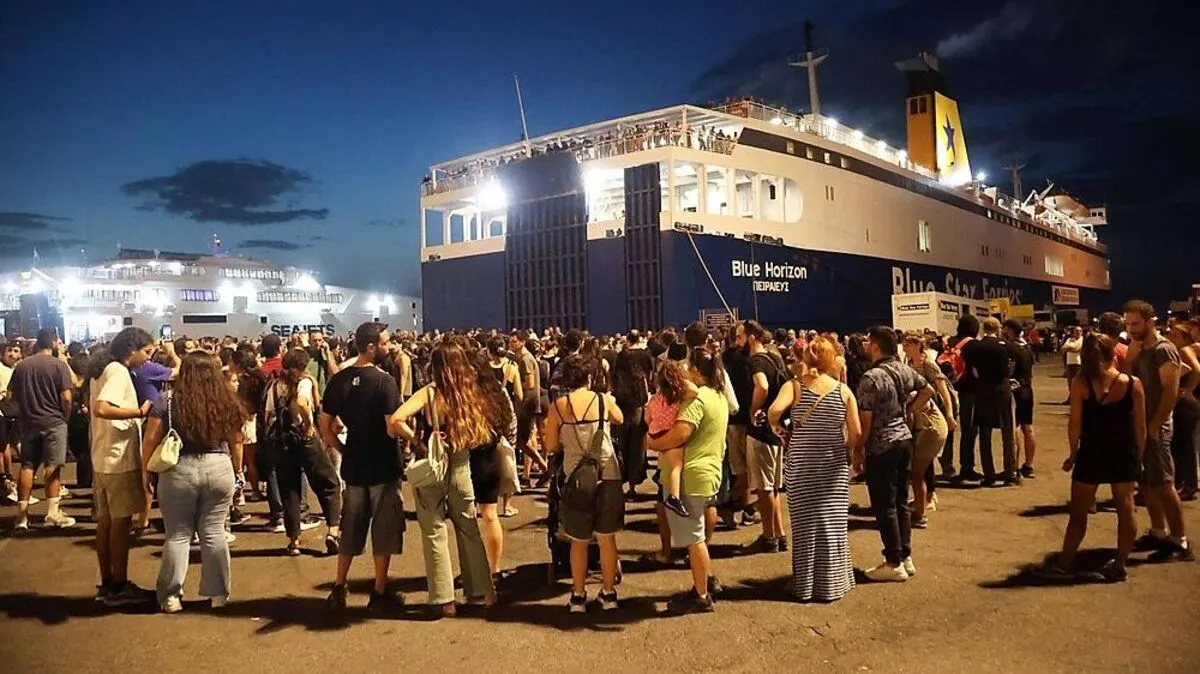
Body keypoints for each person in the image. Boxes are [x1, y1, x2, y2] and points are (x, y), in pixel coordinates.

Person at [389, 342, 496, 617]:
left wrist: (416, 440)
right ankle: (480, 591)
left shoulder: (430, 392)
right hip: (461, 465)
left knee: (434, 530)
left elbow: (396, 419)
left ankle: (443, 598)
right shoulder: (468, 392)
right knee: (468, 528)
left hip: (434, 467)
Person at [141, 351, 247, 612]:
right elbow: (237, 441)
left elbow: (151, 439)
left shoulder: (167, 401)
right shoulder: (226, 400)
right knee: (214, 532)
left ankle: (170, 597)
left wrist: (145, 471)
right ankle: (218, 594)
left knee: (178, 535)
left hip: (179, 468)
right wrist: (237, 471)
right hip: (219, 466)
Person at [319, 323, 406, 612]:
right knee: (383, 528)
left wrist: (344, 449)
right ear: (371, 347)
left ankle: (339, 585)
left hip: (354, 464)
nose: (389, 347)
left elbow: (326, 428)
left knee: (351, 526)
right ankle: (378, 591)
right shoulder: (384, 382)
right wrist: (413, 438)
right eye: (385, 343)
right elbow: (391, 426)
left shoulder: (339, 380)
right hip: (383, 463)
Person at [1044, 333, 1145, 582]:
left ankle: (1064, 564)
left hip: (1092, 452)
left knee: (1078, 513)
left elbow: (1075, 424)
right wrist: (1139, 458)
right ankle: (1120, 563)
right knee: (1126, 508)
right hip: (1123, 452)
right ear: (1113, 355)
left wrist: (1072, 453)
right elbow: (1139, 427)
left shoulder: (1081, 382)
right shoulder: (1133, 384)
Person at [769, 336, 861, 602]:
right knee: (832, 523)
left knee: (805, 523)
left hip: (802, 463)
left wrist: (781, 429)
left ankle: (805, 585)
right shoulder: (844, 391)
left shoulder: (794, 386)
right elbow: (855, 432)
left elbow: (775, 411)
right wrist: (846, 449)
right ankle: (834, 583)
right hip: (833, 463)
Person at [648, 348, 729, 614]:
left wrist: (651, 442)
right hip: (710, 470)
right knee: (699, 536)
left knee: (694, 539)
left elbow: (679, 434)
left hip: (692, 475)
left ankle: (701, 595)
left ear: (694, 370)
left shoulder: (697, 399)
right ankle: (705, 580)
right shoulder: (718, 395)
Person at [543, 353, 625, 612]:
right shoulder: (604, 401)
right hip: (606, 475)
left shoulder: (558, 407)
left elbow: (551, 445)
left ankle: (578, 595)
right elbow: (620, 419)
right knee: (606, 538)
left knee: (578, 541)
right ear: (590, 377)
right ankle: (609, 594)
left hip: (575, 480)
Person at [854, 326, 935, 582]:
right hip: (904, 440)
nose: (866, 346)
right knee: (901, 500)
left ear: (876, 345)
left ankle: (893, 560)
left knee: (884, 504)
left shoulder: (871, 378)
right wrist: (908, 410)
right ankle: (905, 555)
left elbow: (865, 421)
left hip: (882, 445)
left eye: (868, 342)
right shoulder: (904, 369)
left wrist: (858, 449)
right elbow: (928, 390)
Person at [89, 327, 156, 605]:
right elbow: (101, 408)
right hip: (118, 458)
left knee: (105, 524)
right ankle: (119, 584)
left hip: (102, 457)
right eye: (146, 352)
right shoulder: (117, 370)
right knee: (120, 525)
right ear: (132, 349)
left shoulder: (101, 369)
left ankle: (107, 583)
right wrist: (139, 412)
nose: (147, 358)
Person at [1124, 300, 1193, 561]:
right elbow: (1128, 375)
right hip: (1142, 426)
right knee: (1147, 483)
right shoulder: (1140, 348)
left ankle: (1180, 541)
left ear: (1151, 321)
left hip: (1157, 427)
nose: (1131, 329)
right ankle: (1158, 531)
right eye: (1128, 324)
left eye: (1136, 324)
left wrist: (1154, 426)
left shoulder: (1164, 350)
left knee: (1164, 484)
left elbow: (1170, 392)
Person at [264, 348, 341, 556]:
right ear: (304, 366)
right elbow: (301, 402)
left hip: (281, 443)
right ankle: (333, 531)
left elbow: (268, 416)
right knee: (328, 483)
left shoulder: (273, 385)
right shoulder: (304, 382)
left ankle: (294, 541)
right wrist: (307, 424)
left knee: (289, 490)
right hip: (303, 440)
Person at [7, 328, 76, 531]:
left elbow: (11, 395)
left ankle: (22, 517)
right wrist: (66, 416)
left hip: (28, 423)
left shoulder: (22, 366)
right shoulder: (59, 366)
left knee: (27, 466)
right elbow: (66, 397)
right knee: (52, 467)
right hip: (54, 422)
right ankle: (53, 513)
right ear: (53, 343)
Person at [466, 349, 517, 578]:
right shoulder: (497, 391)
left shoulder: (464, 394)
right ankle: (494, 568)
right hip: (490, 456)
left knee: (466, 519)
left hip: (467, 457)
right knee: (490, 515)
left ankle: (474, 569)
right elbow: (511, 421)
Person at [744, 320, 788, 552]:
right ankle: (779, 534)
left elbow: (761, 385)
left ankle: (768, 536)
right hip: (776, 428)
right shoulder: (775, 358)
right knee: (774, 487)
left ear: (752, 338)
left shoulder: (756, 361)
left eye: (741, 336)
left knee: (763, 487)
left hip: (761, 430)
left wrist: (753, 410)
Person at [902, 334, 954, 528]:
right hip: (919, 420)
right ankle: (921, 501)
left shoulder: (928, 364)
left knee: (923, 465)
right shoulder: (908, 362)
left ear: (917, 345)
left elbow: (942, 389)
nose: (905, 347)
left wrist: (949, 414)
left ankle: (928, 500)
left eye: (908, 344)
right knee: (921, 465)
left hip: (929, 418)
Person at [963, 317, 1020, 486]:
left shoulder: (975, 347)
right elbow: (1011, 368)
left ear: (983, 328)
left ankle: (989, 475)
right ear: (999, 328)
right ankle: (1010, 473)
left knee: (985, 434)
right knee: (1007, 431)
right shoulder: (1007, 346)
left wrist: (982, 378)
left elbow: (972, 369)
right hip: (1002, 390)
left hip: (983, 391)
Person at [646, 360, 692, 517]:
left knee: (668, 463)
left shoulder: (656, 398)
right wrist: (682, 379)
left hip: (655, 432)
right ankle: (674, 497)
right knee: (676, 467)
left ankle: (663, 481)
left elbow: (648, 417)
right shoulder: (678, 396)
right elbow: (695, 391)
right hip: (668, 432)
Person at [1166, 324, 1200, 500]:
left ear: (1186, 338)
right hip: (1180, 403)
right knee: (1178, 444)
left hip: (1186, 404)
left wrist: (1189, 390)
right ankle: (1180, 482)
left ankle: (1190, 485)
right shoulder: (1176, 351)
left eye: (1176, 335)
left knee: (1186, 446)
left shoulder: (1185, 350)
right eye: (1170, 335)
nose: (1172, 338)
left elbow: (1197, 370)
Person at [946, 315, 980, 482]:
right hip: (969, 393)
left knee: (949, 430)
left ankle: (947, 466)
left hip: (949, 390)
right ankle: (967, 468)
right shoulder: (974, 345)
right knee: (969, 431)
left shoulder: (950, 343)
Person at [1003, 319, 1038, 478]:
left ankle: (1014, 465)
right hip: (1027, 389)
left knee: (1014, 427)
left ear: (1010, 331)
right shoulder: (1028, 348)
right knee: (1028, 427)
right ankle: (1029, 464)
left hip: (1015, 389)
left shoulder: (1011, 348)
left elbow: (1010, 369)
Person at [0, 341, 23, 504]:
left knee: (9, 444)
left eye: (16, 351)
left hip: (13, 413)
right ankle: (7, 480)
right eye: (9, 350)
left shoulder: (18, 369)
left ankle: (9, 480)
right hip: (3, 412)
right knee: (4, 446)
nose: (12, 354)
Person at [1061, 327, 1084, 404]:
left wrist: (1069, 348)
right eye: (1076, 331)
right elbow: (1063, 348)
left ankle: (1078, 398)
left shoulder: (1082, 340)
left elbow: (1077, 348)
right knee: (1070, 382)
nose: (1078, 332)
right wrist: (1072, 348)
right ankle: (1071, 398)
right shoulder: (1069, 340)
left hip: (1078, 363)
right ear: (1073, 332)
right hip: (1069, 363)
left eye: (1080, 331)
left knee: (1077, 382)